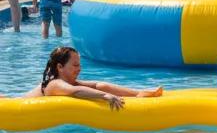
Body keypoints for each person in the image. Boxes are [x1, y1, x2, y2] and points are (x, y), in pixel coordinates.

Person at [16, 46, 163, 107]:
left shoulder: (69, 82)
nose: (79, 69)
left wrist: (137, 93)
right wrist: (105, 96)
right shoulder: (54, 84)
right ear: (60, 67)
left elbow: (98, 85)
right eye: (75, 65)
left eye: (79, 65)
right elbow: (76, 92)